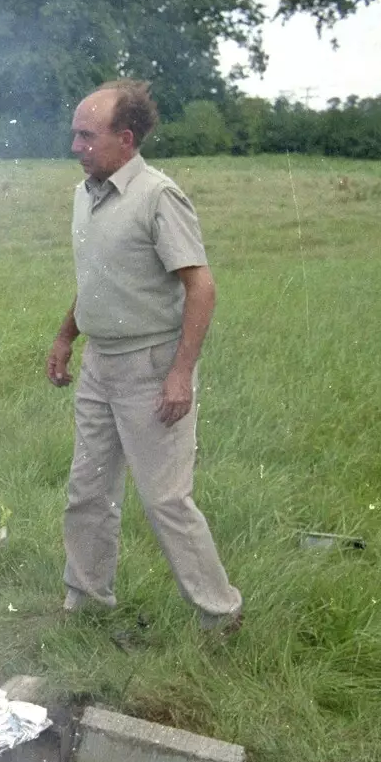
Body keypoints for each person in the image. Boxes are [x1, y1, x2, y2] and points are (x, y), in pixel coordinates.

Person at [47, 79, 243, 634]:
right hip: (99, 366)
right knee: (88, 491)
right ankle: (85, 604)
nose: (75, 146)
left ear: (126, 138)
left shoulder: (158, 196)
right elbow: (96, 281)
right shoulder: (85, 194)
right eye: (74, 134)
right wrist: (66, 336)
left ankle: (221, 614)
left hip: (151, 368)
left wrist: (180, 374)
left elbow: (201, 287)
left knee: (165, 501)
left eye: (87, 135)